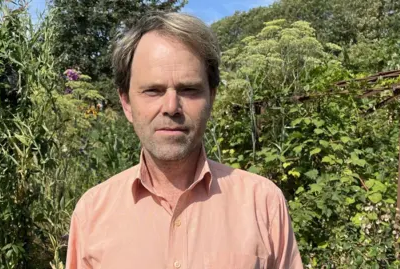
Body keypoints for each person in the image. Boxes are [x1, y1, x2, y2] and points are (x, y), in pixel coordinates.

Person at [66, 12, 303, 269]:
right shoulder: (92, 214)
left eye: (188, 90)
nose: (171, 107)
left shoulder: (264, 204)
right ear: (126, 103)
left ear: (211, 98)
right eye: (153, 91)